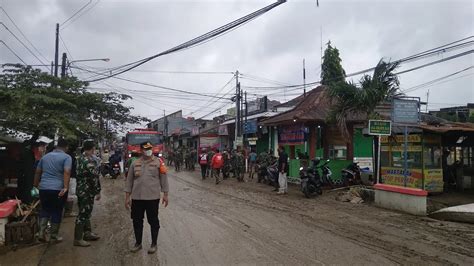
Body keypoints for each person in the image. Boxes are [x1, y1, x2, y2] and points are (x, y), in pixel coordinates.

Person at [125, 142, 169, 254]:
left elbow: (164, 179)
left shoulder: (159, 163)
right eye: (145, 149)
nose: (148, 151)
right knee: (137, 221)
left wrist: (166, 195)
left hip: (152, 198)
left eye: (149, 148)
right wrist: (127, 197)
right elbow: (129, 181)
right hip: (137, 198)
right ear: (141, 150)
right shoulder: (135, 163)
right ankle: (138, 243)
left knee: (153, 221)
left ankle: (154, 244)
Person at [33, 138, 72, 243]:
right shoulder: (66, 157)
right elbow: (67, 172)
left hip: (44, 188)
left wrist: (35, 185)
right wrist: (65, 187)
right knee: (57, 210)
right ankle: (53, 236)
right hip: (57, 189)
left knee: (45, 209)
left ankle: (41, 233)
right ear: (66, 147)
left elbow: (37, 172)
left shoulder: (45, 157)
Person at [74, 141, 101, 247]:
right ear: (92, 148)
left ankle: (87, 233)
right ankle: (78, 238)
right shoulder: (88, 160)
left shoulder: (80, 158)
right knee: (83, 213)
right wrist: (98, 191)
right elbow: (94, 177)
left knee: (86, 212)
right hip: (86, 190)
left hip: (82, 189)